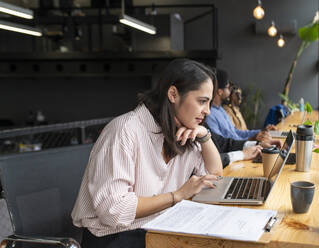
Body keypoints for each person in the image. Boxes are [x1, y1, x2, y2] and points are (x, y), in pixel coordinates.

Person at [71, 59, 223, 248]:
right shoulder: (124, 130)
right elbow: (114, 211)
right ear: (173, 94)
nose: (207, 111)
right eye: (202, 101)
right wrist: (177, 195)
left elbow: (215, 177)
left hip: (156, 229)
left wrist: (205, 136)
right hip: (114, 237)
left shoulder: (186, 132)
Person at [205, 69, 270, 141]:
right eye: (228, 87)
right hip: (235, 150)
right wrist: (250, 140)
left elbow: (236, 132)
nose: (230, 90)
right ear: (220, 92)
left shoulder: (220, 109)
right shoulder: (210, 114)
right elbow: (222, 144)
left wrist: (261, 131)